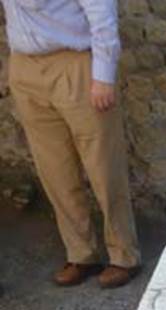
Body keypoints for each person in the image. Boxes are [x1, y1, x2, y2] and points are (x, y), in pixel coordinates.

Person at [1, 0, 141, 288]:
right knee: (54, 169)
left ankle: (124, 254)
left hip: (74, 63)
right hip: (24, 66)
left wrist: (103, 76)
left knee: (103, 165)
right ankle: (81, 254)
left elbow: (102, 15)